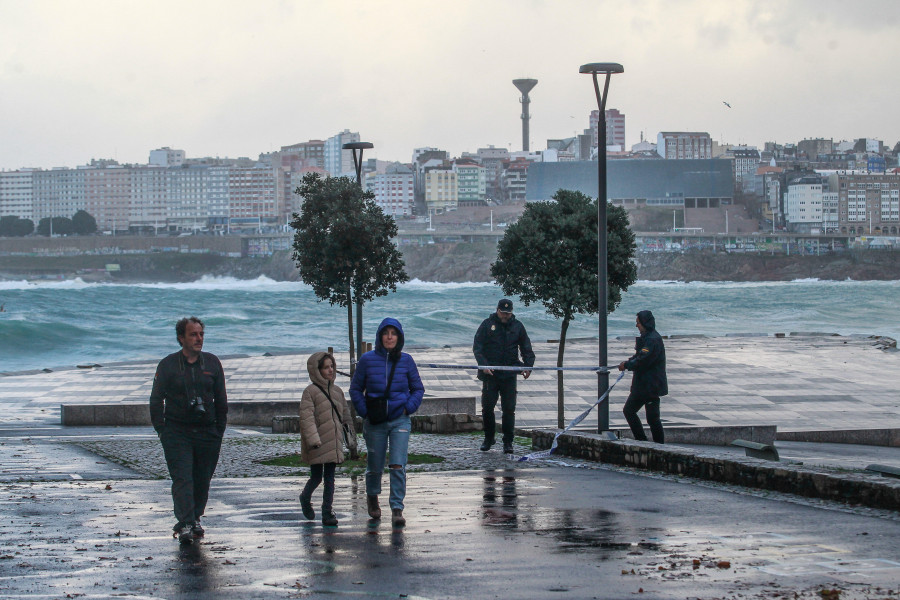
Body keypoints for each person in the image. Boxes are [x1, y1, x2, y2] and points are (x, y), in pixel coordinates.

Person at [149, 316, 227, 544]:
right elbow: (156, 399)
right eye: (193, 334)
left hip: (207, 432)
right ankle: (184, 521)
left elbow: (221, 399)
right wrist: (161, 430)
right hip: (177, 431)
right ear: (181, 338)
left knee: (203, 478)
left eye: (201, 334)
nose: (198, 339)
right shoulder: (168, 365)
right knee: (183, 477)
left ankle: (195, 517)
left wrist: (219, 429)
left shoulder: (212, 363)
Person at [350, 318, 424, 527]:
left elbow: (418, 389)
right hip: (375, 420)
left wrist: (407, 407)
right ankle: (372, 497)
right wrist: (364, 411)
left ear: (399, 337)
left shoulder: (407, 360)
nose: (390, 337)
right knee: (375, 465)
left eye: (394, 333)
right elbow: (355, 389)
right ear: (380, 336)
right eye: (386, 333)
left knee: (397, 463)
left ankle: (397, 507)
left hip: (399, 418)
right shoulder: (367, 360)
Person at [299, 351, 356, 527]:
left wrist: (351, 440)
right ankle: (305, 497)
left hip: (334, 442)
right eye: (326, 367)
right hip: (317, 444)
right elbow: (306, 418)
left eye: (332, 366)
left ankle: (327, 511)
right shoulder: (310, 392)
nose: (330, 370)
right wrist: (313, 439)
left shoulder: (338, 391)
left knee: (330, 478)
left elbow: (346, 417)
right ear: (317, 370)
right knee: (316, 477)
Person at [473, 298, 535, 454]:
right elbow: (477, 348)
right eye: (503, 313)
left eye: (508, 313)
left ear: (511, 312)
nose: (505, 316)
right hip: (491, 374)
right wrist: (484, 365)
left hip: (509, 375)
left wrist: (528, 366)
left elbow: (526, 348)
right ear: (497, 310)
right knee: (487, 408)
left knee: (509, 410)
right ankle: (488, 438)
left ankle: (508, 442)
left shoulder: (518, 326)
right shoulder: (487, 325)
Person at [618, 310, 668, 444]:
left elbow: (643, 360)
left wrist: (627, 365)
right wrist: (628, 362)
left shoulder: (653, 340)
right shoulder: (647, 338)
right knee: (630, 411)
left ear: (645, 323)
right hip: (643, 386)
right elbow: (639, 356)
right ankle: (642, 441)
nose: (637, 326)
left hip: (650, 386)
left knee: (652, 418)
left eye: (638, 323)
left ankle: (657, 445)